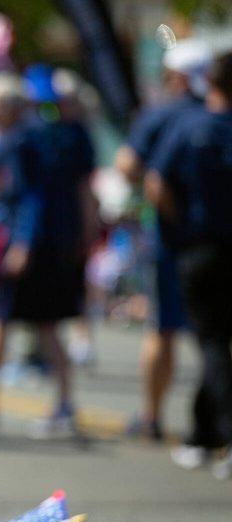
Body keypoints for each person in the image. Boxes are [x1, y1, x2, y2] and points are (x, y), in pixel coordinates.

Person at [0, 69, 97, 437]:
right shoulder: (64, 133)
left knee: (11, 319)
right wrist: (84, 237)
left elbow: (28, 195)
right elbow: (84, 192)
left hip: (28, 243)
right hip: (58, 240)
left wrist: (20, 243)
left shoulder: (20, 139)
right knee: (42, 323)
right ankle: (61, 402)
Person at [115, 40, 212, 442]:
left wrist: (164, 200)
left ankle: (152, 416)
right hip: (217, 239)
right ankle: (212, 422)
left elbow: (128, 165)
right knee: (215, 337)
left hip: (171, 240)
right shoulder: (217, 113)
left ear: (175, 76)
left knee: (163, 329)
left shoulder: (162, 115)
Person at [146, 51, 232, 479]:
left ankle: (218, 433)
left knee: (214, 343)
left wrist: (179, 223)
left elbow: (155, 182)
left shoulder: (190, 125)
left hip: (200, 248)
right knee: (216, 342)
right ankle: (203, 434)